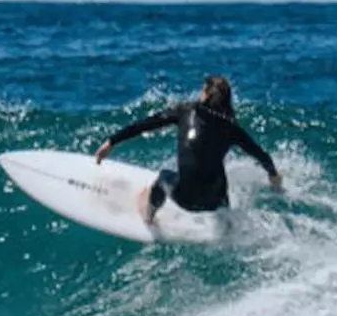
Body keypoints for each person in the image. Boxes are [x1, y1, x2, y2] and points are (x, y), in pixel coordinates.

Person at [95, 76, 282, 223]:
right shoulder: (232, 128)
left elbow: (146, 124)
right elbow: (261, 155)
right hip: (215, 204)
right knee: (219, 172)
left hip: (184, 199)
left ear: (206, 94)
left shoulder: (186, 111)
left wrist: (112, 142)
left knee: (163, 178)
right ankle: (227, 225)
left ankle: (148, 217)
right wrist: (273, 175)